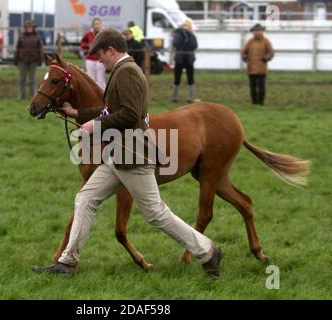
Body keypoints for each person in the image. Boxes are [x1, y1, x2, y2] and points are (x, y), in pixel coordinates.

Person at [32, 28, 222, 278]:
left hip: (133, 154)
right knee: (85, 199)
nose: (99, 60)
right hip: (119, 153)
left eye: (100, 54)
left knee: (155, 213)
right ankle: (67, 262)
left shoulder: (128, 72)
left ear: (111, 50)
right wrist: (79, 115)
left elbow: (130, 114)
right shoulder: (123, 70)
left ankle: (208, 250)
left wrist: (95, 126)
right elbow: (111, 109)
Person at [241, 24, 274, 106]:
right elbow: (244, 52)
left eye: (259, 30)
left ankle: (261, 103)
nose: (257, 32)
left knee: (261, 88)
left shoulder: (266, 41)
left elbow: (271, 53)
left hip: (261, 69)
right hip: (251, 68)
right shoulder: (250, 42)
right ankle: (254, 103)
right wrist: (245, 57)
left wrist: (265, 58)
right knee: (252, 88)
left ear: (262, 31)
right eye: (255, 31)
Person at [14, 20, 44, 99]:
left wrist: (40, 61)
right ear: (25, 28)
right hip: (22, 60)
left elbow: (40, 50)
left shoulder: (37, 37)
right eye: (27, 27)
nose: (29, 28)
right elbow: (17, 49)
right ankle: (21, 95)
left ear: (33, 28)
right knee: (22, 80)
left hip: (33, 61)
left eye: (30, 27)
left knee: (32, 80)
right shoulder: (21, 36)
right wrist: (16, 60)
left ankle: (33, 96)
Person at [171, 19, 198, 104]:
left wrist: (188, 36)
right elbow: (176, 44)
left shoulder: (192, 35)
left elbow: (194, 46)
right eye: (184, 26)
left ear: (190, 27)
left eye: (187, 26)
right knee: (177, 78)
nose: (185, 28)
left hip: (189, 59)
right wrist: (182, 35)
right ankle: (175, 97)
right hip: (179, 59)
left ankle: (190, 98)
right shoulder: (178, 34)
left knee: (191, 78)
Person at [80, 17, 106, 90]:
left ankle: (103, 95)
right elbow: (82, 43)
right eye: (95, 24)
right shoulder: (89, 34)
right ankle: (92, 95)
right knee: (91, 79)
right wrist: (88, 47)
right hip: (90, 60)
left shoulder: (103, 34)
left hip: (100, 60)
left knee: (100, 79)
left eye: (98, 24)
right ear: (93, 25)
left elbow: (108, 44)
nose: (97, 26)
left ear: (101, 25)